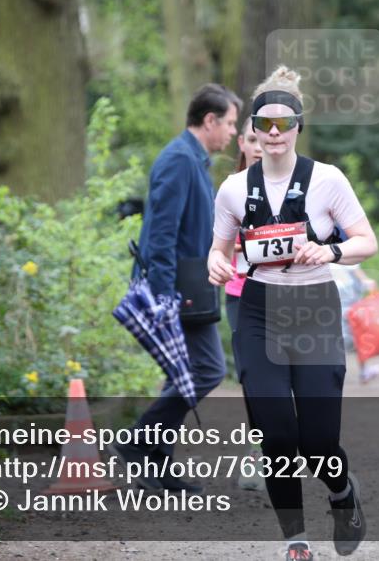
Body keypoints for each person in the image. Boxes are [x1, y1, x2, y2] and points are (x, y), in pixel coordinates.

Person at [208, 66, 378, 561]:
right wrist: (215, 262)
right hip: (259, 311)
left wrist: (330, 251)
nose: (275, 133)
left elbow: (367, 241)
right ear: (254, 129)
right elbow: (218, 249)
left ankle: (342, 494)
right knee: (275, 435)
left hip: (314, 307)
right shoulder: (234, 189)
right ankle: (295, 541)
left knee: (318, 442)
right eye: (265, 124)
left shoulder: (327, 180)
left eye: (285, 124)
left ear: (299, 125)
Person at [112, 83, 241, 492]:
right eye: (230, 124)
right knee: (208, 369)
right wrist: (165, 296)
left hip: (192, 285)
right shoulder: (179, 160)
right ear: (210, 120)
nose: (233, 133)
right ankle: (136, 442)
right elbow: (161, 235)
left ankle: (158, 463)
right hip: (178, 290)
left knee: (183, 372)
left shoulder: (195, 161)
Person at [225, 115, 266, 492]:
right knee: (253, 377)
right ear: (241, 143)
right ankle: (258, 454)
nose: (258, 146)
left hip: (285, 294)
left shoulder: (291, 187)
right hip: (240, 294)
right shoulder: (230, 189)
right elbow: (215, 245)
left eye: (263, 139)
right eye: (251, 139)